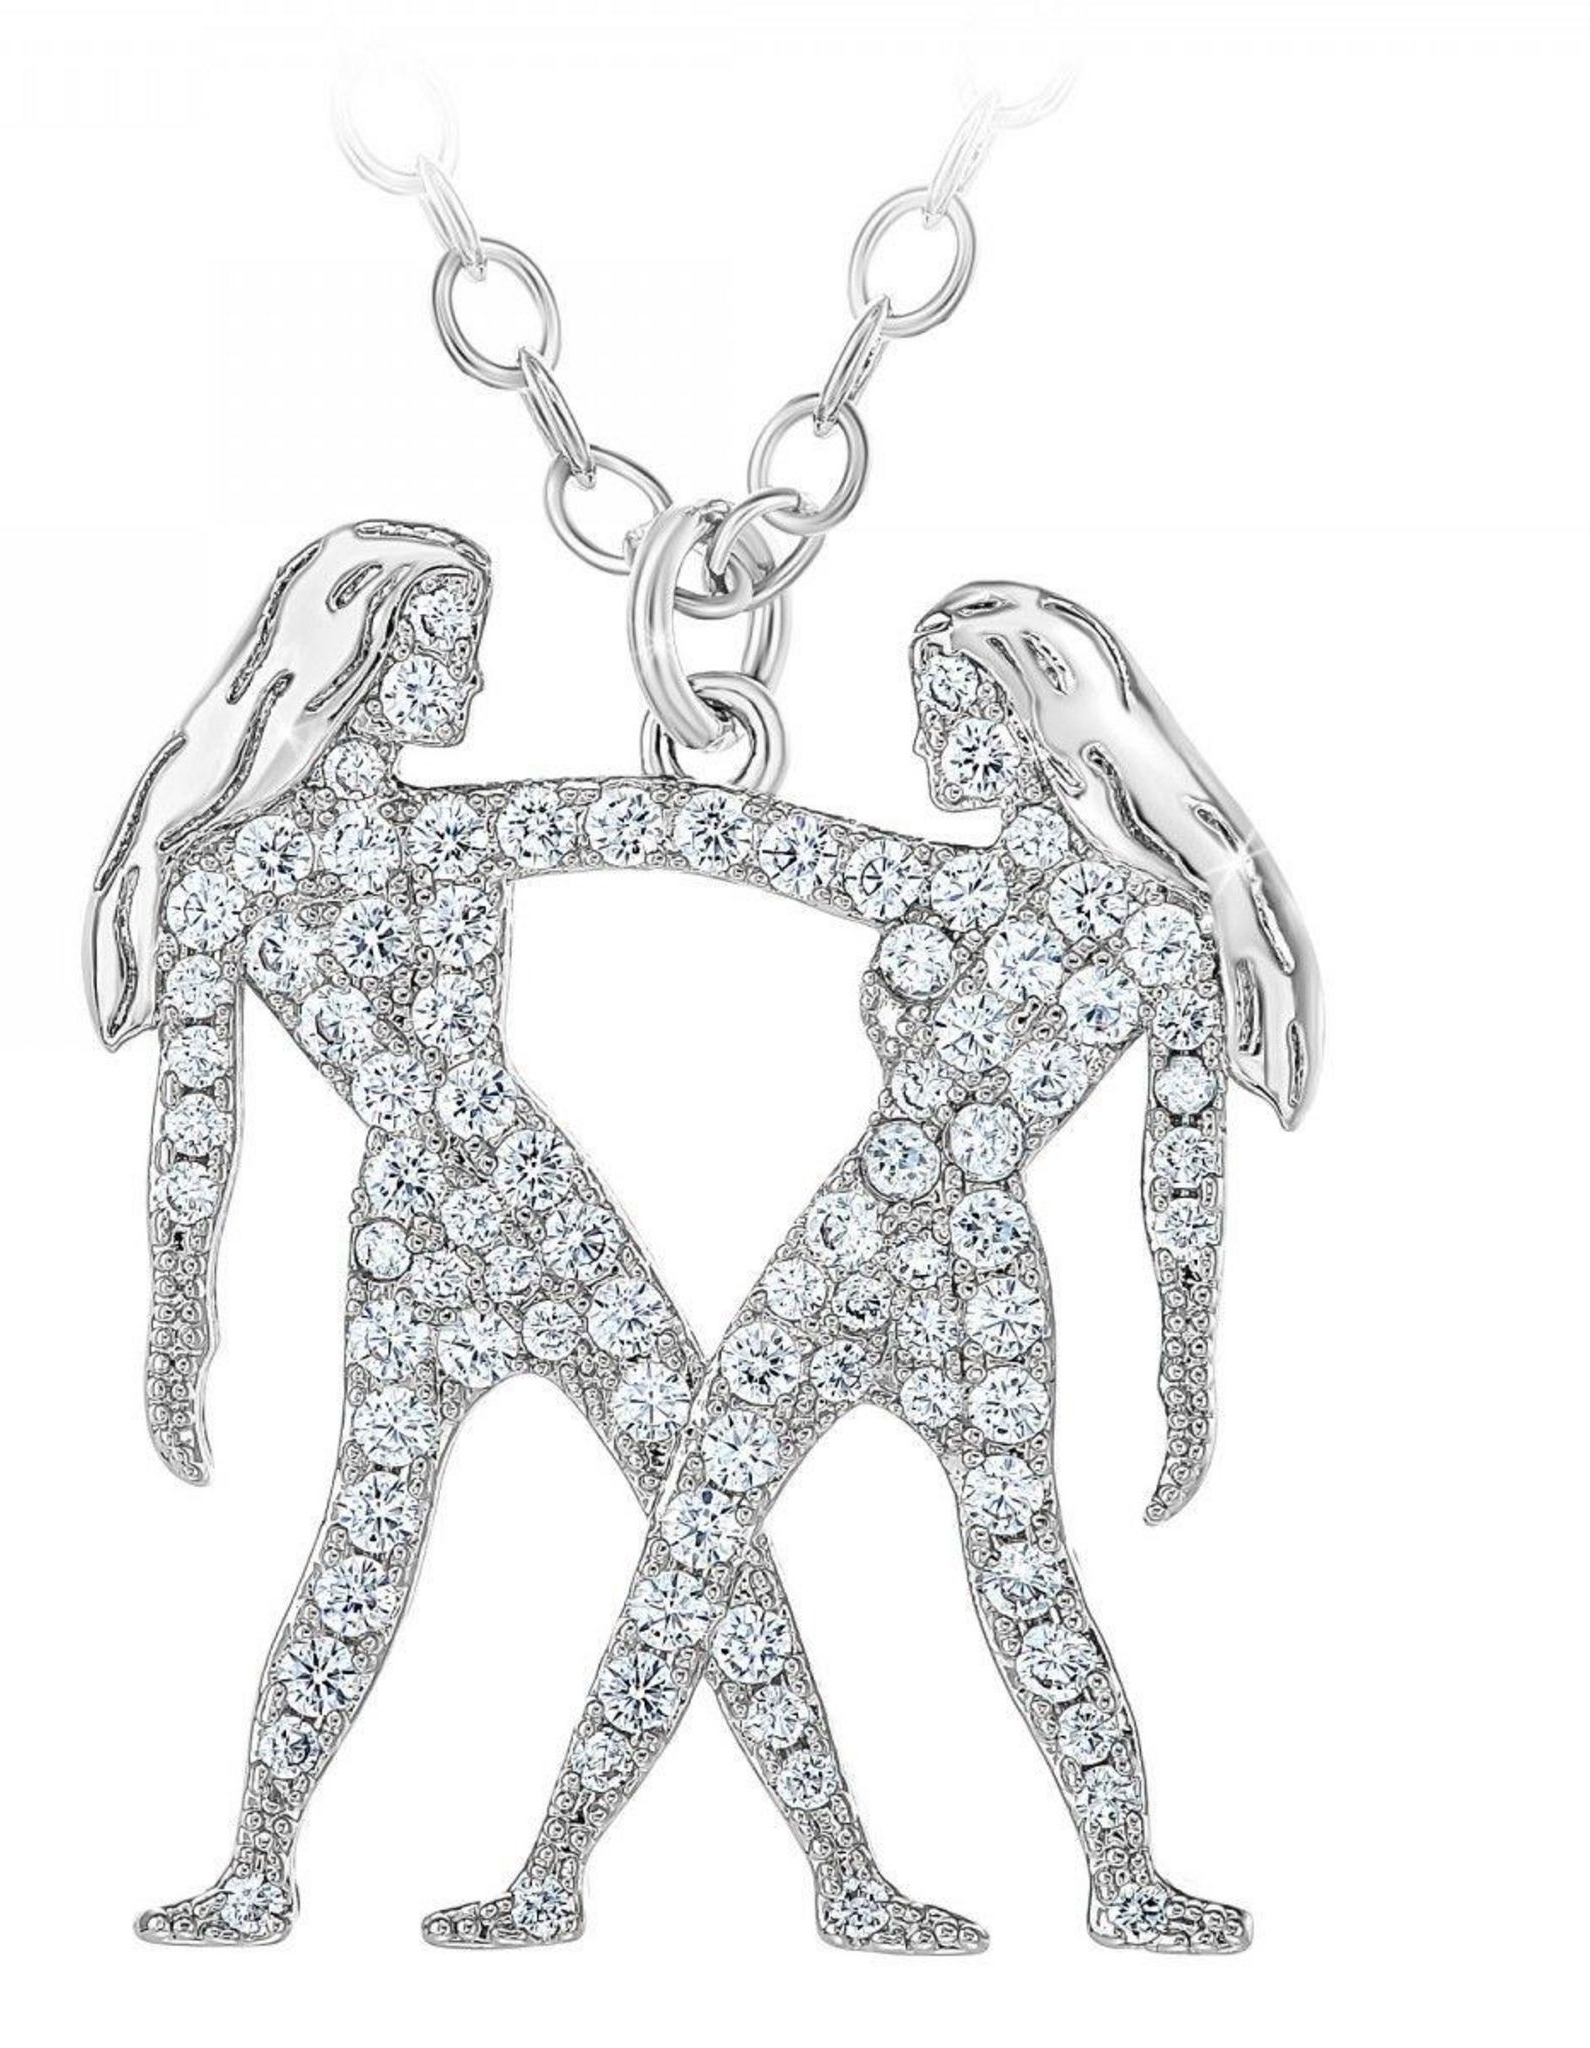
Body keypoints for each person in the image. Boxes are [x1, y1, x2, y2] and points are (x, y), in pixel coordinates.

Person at [87, 520, 987, 1951]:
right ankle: (259, 1865)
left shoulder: (421, 838)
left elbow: (686, 827)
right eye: (450, 649)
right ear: (359, 664)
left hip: (528, 1222)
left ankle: (841, 1875)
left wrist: (951, 883)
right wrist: (175, 1320)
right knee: (399, 1548)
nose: (475, 680)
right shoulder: (237, 881)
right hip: (447, 1238)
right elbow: (194, 1124)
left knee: (691, 1522)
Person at [424, 581, 1319, 1955]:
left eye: (942, 718)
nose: (919, 746)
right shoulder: (1025, 902)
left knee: (882, 1564)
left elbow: (1181, 1172)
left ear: (1026, 730)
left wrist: (1188, 1371)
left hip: (912, 1262)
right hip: (892, 1260)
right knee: (740, 1552)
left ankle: (1117, 1877)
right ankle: (585, 1875)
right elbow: (722, 836)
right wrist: (482, 821)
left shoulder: (1111, 926)